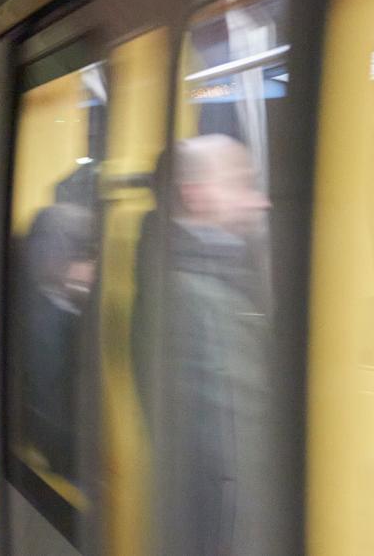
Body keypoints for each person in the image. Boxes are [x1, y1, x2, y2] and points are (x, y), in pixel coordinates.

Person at [157, 134, 279, 556]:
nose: (259, 202)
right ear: (196, 195)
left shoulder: (213, 276)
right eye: (241, 184)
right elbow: (228, 460)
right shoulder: (196, 299)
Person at [17, 202, 95, 477]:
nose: (95, 268)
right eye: (87, 257)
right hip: (68, 464)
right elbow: (49, 403)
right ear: (57, 258)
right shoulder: (43, 321)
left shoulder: (63, 304)